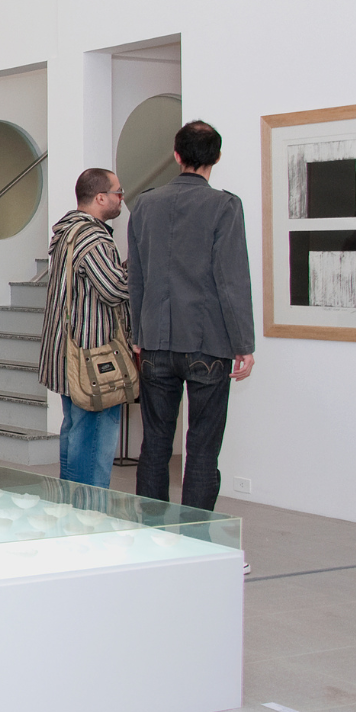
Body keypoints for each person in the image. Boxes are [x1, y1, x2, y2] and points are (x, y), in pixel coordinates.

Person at [129, 121, 255, 514]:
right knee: (201, 448)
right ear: (216, 157)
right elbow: (231, 279)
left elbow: (137, 276)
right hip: (207, 344)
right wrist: (243, 345)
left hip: (155, 343)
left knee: (155, 443)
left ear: (176, 154)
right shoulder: (224, 206)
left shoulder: (146, 204)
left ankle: (150, 533)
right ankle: (195, 538)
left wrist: (138, 333)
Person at [39, 169, 131, 489]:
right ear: (100, 197)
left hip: (70, 354)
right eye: (118, 192)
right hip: (91, 358)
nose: (122, 198)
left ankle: (72, 510)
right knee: (92, 441)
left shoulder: (68, 231)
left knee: (76, 432)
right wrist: (143, 264)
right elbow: (114, 289)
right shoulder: (91, 236)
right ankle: (87, 516)